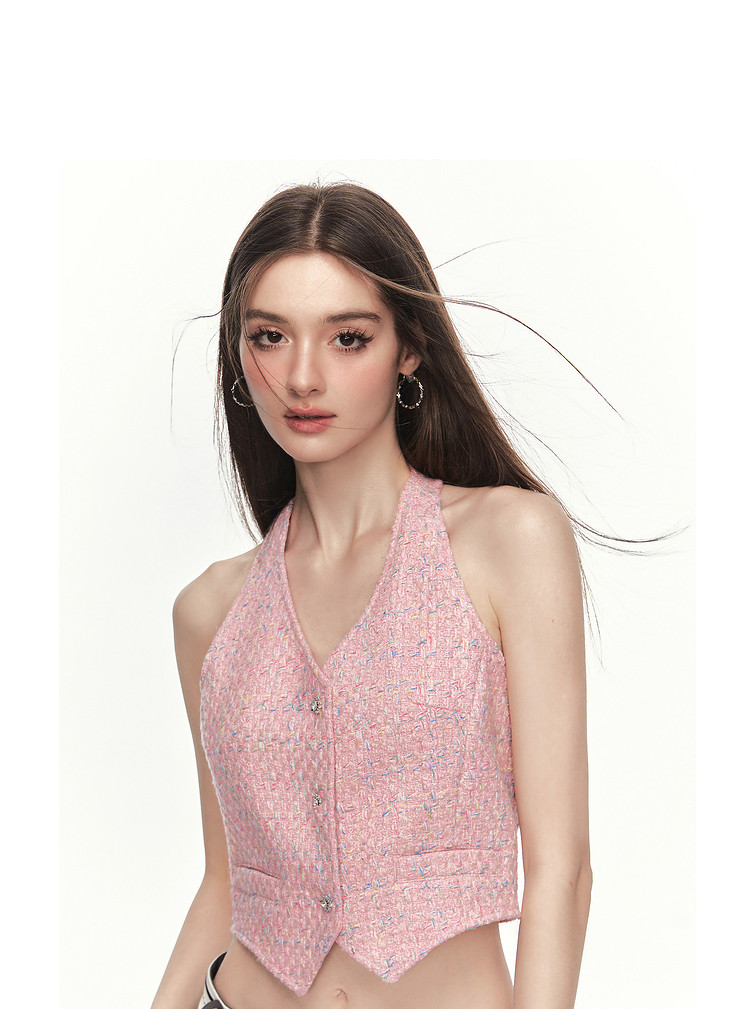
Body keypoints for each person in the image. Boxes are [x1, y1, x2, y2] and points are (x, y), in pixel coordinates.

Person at [150, 181, 593, 1009]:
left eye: (348, 337)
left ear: (409, 349)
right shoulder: (209, 612)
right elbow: (227, 881)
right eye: (270, 336)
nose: (302, 376)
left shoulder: (510, 542)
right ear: (240, 357)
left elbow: (561, 870)